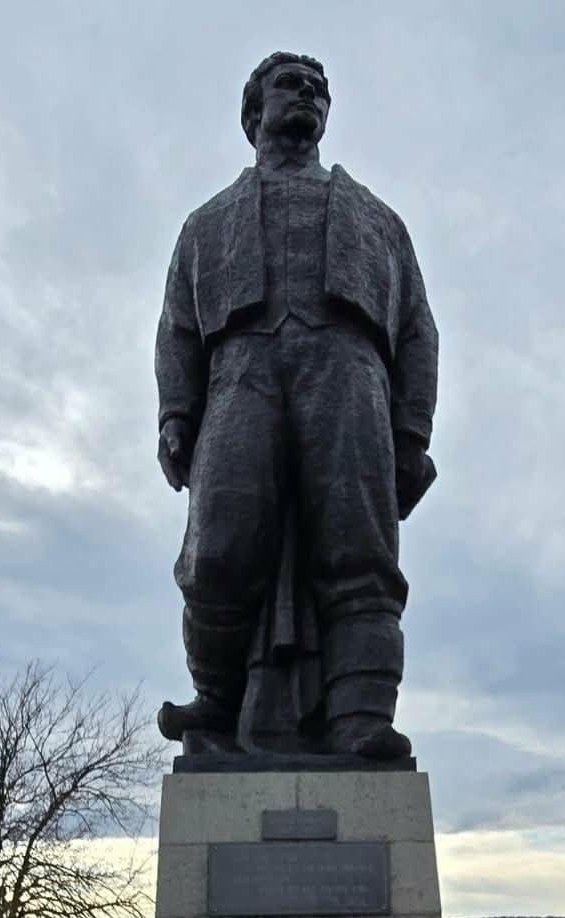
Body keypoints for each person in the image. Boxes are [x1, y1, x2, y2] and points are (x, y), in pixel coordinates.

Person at [155, 51, 438, 759]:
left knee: (360, 553)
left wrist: (411, 431)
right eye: (291, 83)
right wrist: (175, 415)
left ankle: (362, 716)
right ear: (253, 112)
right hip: (239, 376)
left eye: (319, 88)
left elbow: (417, 329)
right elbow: (177, 328)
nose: (307, 92)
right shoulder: (206, 223)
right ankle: (216, 703)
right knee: (216, 553)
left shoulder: (377, 218)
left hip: (349, 376)